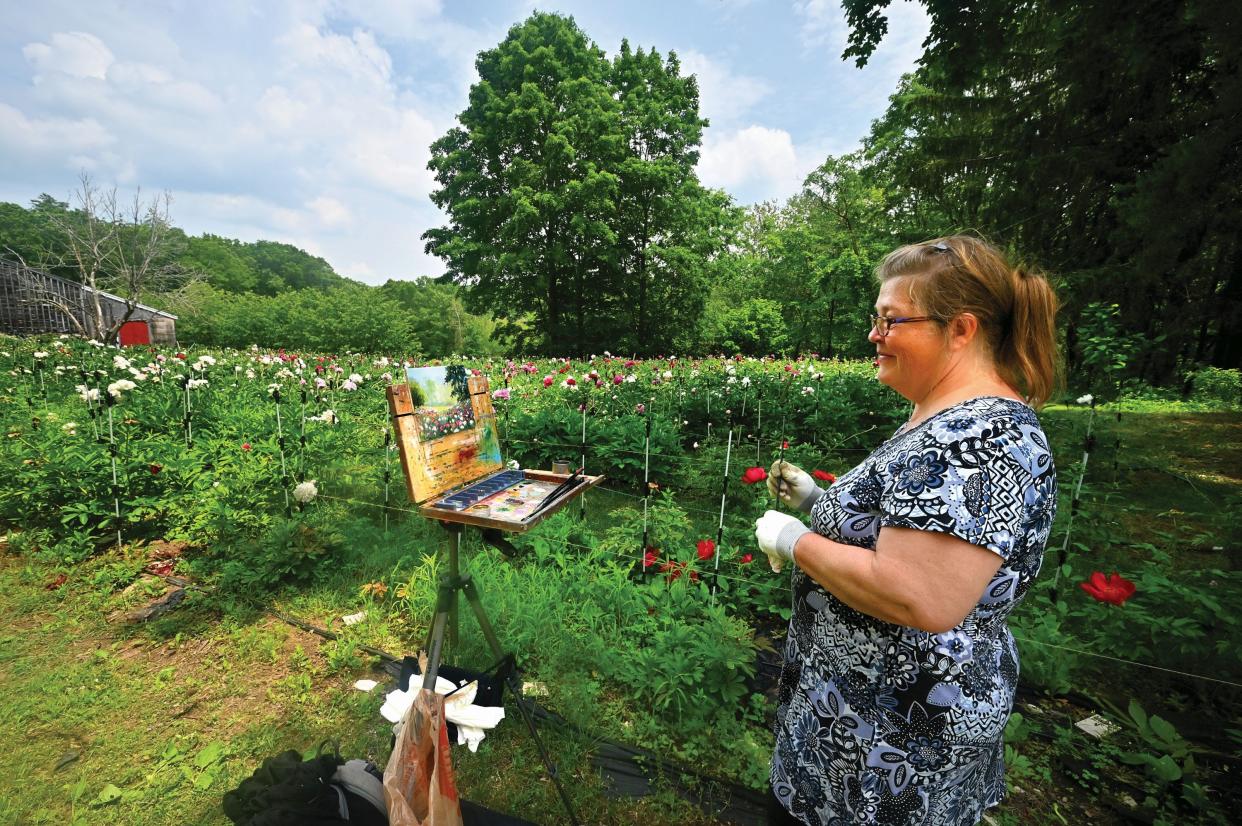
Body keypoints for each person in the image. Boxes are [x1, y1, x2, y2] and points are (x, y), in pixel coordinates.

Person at [753, 235, 1060, 826]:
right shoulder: (943, 419)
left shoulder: (981, 440)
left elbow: (918, 593)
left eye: (891, 321)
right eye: (876, 319)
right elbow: (912, 530)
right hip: (856, 721)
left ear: (961, 330)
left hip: (890, 747)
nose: (874, 334)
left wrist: (795, 540)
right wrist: (821, 501)